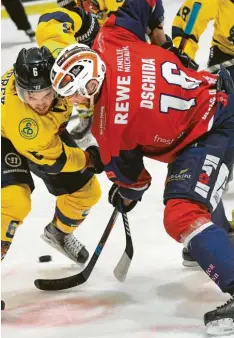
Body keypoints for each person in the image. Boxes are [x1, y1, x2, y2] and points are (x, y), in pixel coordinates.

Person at [50, 0, 234, 334]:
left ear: (88, 87)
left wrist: (124, 194)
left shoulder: (108, 130)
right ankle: (221, 241)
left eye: (74, 96)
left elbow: (136, 183)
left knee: (182, 210)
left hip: (213, 127)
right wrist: (159, 37)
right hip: (217, 88)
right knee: (189, 183)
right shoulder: (112, 41)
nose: (73, 103)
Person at [1, 46, 104, 271]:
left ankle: (58, 234)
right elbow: (56, 161)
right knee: (14, 203)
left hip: (47, 134)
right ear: (20, 92)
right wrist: (90, 159)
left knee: (87, 192)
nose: (41, 103)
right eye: (31, 96)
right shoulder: (28, 126)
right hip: (6, 137)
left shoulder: (62, 72)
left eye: (47, 93)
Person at [172, 0, 234, 265]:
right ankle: (210, 232)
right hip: (225, 63)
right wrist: (180, 55)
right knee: (211, 150)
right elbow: (191, 18)